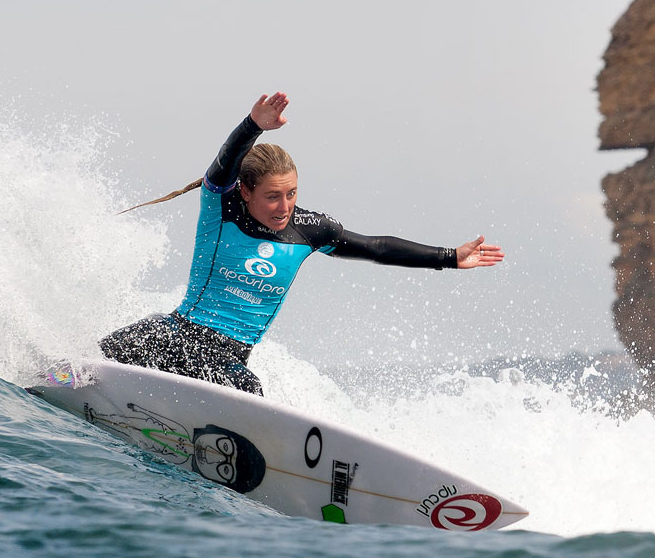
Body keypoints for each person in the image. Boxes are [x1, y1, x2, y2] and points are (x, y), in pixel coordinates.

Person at [100, 92, 504, 396]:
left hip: (228, 360)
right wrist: (251, 125)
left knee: (249, 393)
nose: (284, 207)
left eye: (291, 194)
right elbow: (224, 162)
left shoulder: (311, 231)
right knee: (83, 365)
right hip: (174, 334)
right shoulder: (222, 208)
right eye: (273, 196)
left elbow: (376, 247)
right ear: (245, 191)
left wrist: (449, 257)